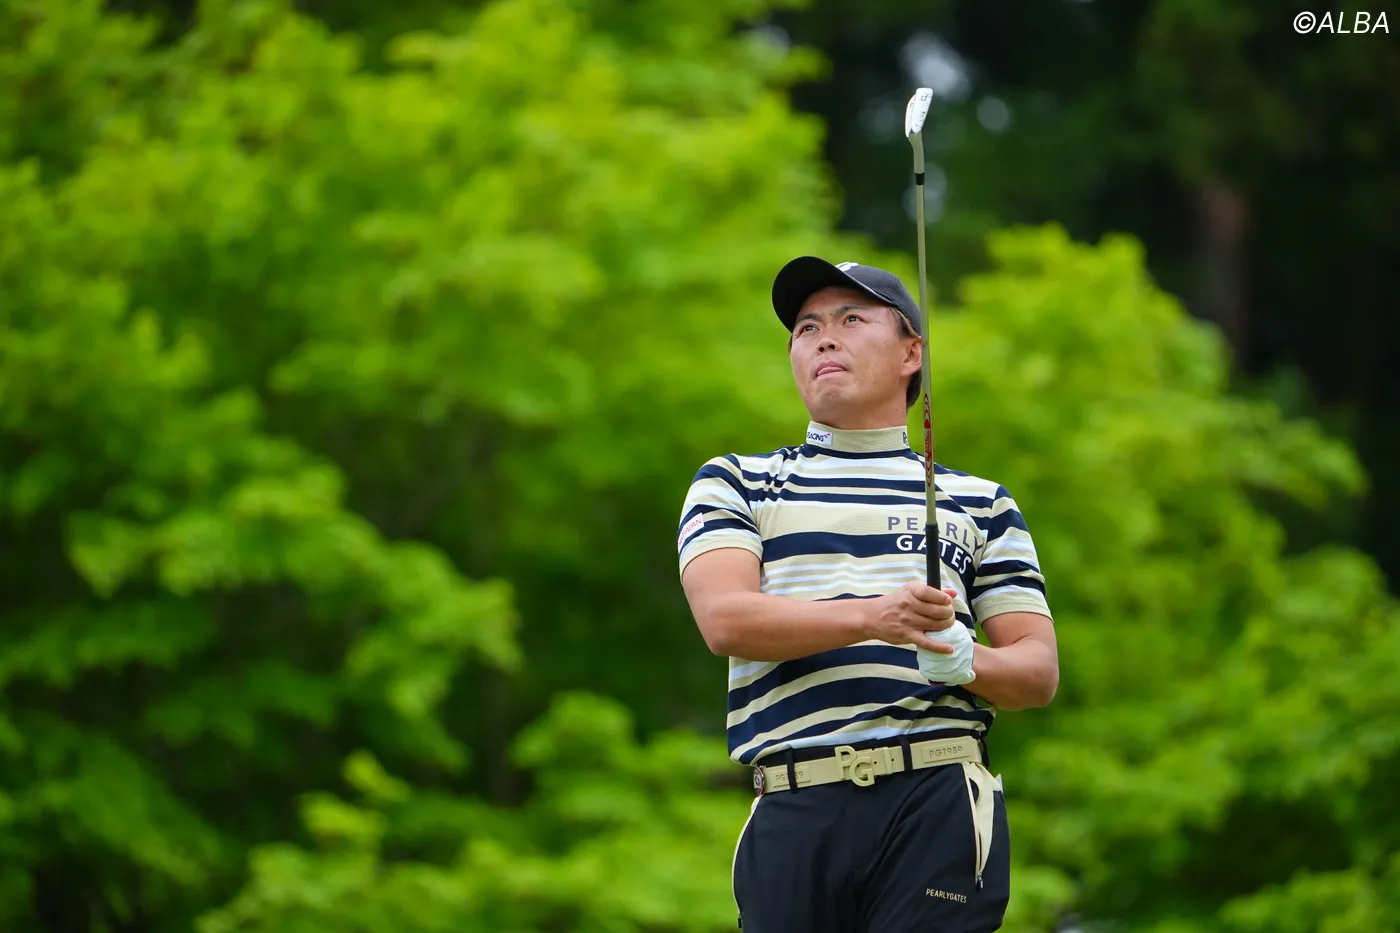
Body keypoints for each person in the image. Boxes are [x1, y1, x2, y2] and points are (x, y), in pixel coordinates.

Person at [676, 256, 1059, 933]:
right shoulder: (736, 482)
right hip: (794, 797)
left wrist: (965, 659)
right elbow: (725, 620)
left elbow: (1037, 672)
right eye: (807, 327)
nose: (824, 337)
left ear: (912, 353)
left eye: (851, 319)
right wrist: (877, 618)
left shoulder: (982, 502)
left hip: (937, 795)